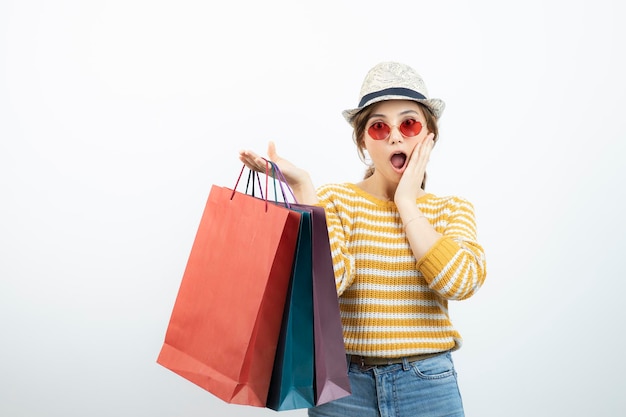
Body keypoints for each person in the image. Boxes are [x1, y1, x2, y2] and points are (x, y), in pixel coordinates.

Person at [239, 61, 487, 417]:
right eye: (379, 127)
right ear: (363, 142)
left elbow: (459, 282)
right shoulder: (337, 200)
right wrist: (305, 188)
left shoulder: (451, 210)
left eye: (409, 123)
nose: (396, 136)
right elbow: (329, 282)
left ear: (429, 135)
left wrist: (406, 202)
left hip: (428, 385)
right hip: (344, 390)